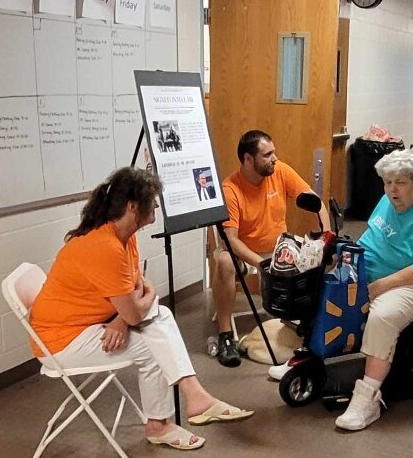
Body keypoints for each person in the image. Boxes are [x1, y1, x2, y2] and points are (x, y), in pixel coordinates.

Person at [28, 167, 253, 451]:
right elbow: (136, 306)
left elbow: (139, 285)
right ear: (134, 207)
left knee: (161, 319)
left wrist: (125, 317)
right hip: (59, 342)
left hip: (90, 323)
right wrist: (132, 311)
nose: (157, 206)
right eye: (153, 201)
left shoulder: (125, 236)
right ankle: (169, 417)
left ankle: (189, 402)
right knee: (153, 346)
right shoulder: (104, 245)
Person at [335, 149, 413, 431]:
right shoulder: (389, 200)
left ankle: (367, 401)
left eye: (400, 182)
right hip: (383, 272)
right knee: (330, 288)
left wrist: (377, 287)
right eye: (387, 182)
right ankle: (318, 361)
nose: (392, 189)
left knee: (383, 315)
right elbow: (372, 235)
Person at [213, 130, 330, 368]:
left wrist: (326, 239)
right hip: (245, 253)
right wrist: (262, 264)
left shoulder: (281, 171)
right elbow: (231, 241)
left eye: (274, 152)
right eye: (267, 154)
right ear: (248, 160)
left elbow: (316, 203)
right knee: (224, 261)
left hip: (280, 249)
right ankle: (225, 335)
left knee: (320, 260)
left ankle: (309, 328)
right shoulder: (230, 189)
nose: (274, 158)